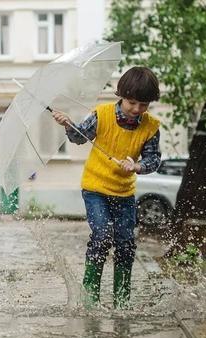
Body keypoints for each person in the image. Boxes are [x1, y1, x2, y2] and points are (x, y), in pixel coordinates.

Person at [52, 66, 161, 309]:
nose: (137, 109)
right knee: (101, 237)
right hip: (95, 189)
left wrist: (138, 166)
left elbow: (154, 159)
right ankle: (90, 300)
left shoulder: (151, 126)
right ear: (121, 95)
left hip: (124, 192)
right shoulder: (101, 115)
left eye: (144, 105)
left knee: (125, 243)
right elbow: (78, 137)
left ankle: (122, 301)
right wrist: (68, 124)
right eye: (132, 102)